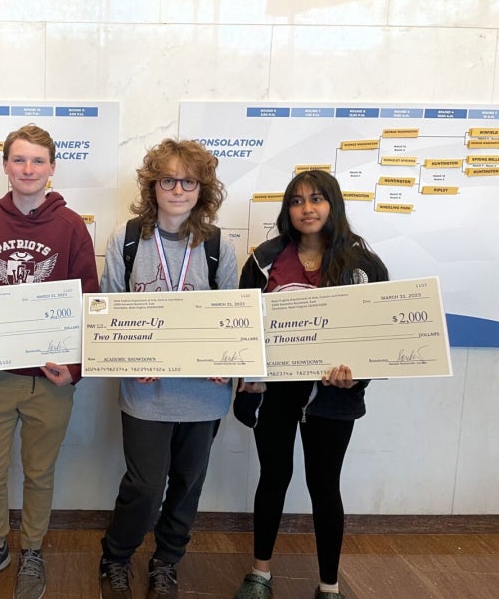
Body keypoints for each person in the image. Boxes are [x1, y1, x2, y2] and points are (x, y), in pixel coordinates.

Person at [0, 124, 100, 599]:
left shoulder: (71, 225)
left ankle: (32, 550)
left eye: (38, 161)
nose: (29, 169)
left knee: (39, 472)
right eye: (20, 160)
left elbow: (88, 302)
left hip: (49, 379)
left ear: (52, 168)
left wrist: (75, 370)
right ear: (5, 166)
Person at [232, 170, 389, 599]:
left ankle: (329, 586)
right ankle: (259, 574)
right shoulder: (264, 259)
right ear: (288, 210)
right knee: (274, 476)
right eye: (297, 201)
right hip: (276, 395)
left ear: (332, 205)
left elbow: (378, 334)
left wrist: (357, 373)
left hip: (332, 398)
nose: (307, 209)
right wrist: (249, 377)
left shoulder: (363, 265)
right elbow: (243, 325)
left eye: (316, 199)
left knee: (325, 485)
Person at [97, 139, 238, 599]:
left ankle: (166, 562)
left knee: (187, 482)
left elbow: (233, 317)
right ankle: (116, 556)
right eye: (168, 180)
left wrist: (229, 363)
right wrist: (126, 358)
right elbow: (110, 311)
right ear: (152, 186)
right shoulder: (128, 237)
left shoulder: (218, 245)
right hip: (146, 391)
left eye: (189, 181)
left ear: (202, 189)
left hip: (205, 393)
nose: (178, 190)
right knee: (144, 484)